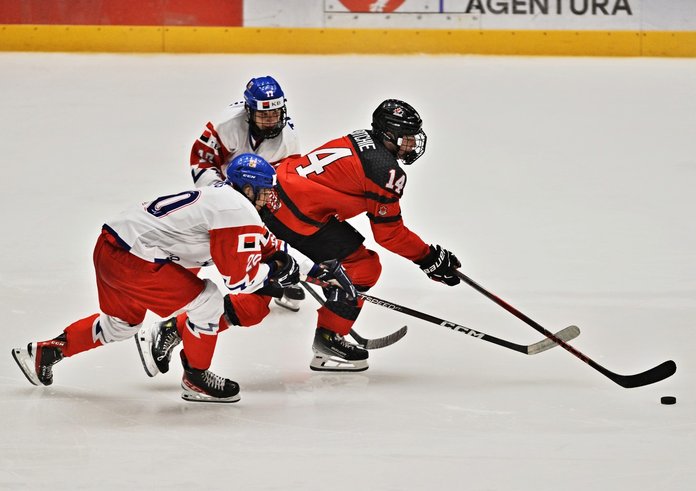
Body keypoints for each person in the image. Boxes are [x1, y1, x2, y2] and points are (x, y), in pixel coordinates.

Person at [147, 99, 462, 373]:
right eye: (407, 138)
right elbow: (389, 234)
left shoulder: (361, 138)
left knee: (339, 271)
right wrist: (429, 258)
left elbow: (339, 190)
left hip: (278, 195)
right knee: (356, 269)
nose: (412, 144)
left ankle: (328, 336)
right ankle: (327, 337)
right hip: (294, 217)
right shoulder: (386, 171)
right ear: (389, 136)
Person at [11, 154, 356, 403]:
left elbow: (266, 245)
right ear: (249, 190)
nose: (270, 196)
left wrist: (315, 269)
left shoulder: (228, 200)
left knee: (121, 325)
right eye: (265, 190)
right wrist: (277, 275)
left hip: (112, 247)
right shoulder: (237, 211)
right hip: (134, 259)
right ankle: (197, 379)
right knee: (208, 302)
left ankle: (45, 351)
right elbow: (240, 282)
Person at [190, 75, 304, 311]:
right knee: (204, 236)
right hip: (223, 184)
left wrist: (259, 204)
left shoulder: (288, 140)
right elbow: (202, 160)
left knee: (266, 232)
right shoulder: (226, 126)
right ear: (248, 111)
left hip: (259, 188)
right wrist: (221, 193)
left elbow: (281, 182)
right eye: (264, 115)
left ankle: (271, 277)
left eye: (275, 113)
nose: (271, 121)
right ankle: (183, 279)